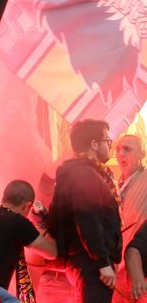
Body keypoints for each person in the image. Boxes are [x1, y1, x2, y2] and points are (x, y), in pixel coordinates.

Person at [48, 119, 122, 303]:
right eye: (107, 141)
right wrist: (103, 262)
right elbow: (88, 219)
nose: (110, 147)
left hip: (86, 261)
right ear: (94, 144)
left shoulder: (81, 172)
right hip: (90, 263)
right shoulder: (84, 174)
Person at [112, 134, 147, 303]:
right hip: (119, 267)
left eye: (128, 149)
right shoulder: (115, 185)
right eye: (118, 149)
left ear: (142, 154)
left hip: (141, 263)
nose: (121, 154)